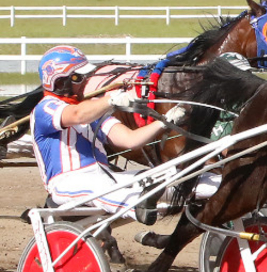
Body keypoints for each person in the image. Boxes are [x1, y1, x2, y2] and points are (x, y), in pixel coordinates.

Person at [30, 45, 188, 224]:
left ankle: (215, 190)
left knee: (171, 177)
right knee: (100, 187)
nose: (85, 81)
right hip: (67, 183)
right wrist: (110, 100)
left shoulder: (92, 112)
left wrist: (164, 122)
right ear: (58, 82)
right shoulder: (46, 108)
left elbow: (131, 140)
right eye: (78, 77)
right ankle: (139, 205)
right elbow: (76, 115)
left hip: (106, 177)